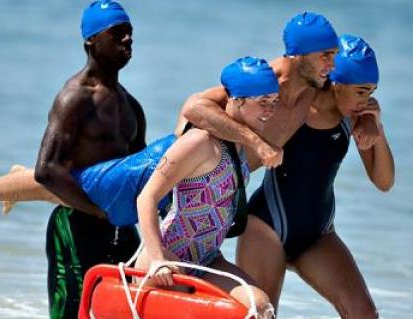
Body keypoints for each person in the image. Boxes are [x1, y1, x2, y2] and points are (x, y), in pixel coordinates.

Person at [0, 1, 148, 318]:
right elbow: (47, 169)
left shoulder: (132, 106)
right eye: (117, 33)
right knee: (71, 312)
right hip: (75, 224)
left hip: (118, 227)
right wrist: (94, 210)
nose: (127, 40)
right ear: (91, 40)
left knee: (129, 309)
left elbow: (137, 173)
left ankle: (5, 185)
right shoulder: (75, 97)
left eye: (130, 33)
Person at [236, 35, 394, 318]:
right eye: (361, 91)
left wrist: (377, 128)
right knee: (262, 314)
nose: (366, 99)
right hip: (266, 229)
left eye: (372, 91)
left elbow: (384, 182)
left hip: (318, 235)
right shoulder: (295, 106)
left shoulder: (355, 116)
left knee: (364, 313)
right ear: (335, 82)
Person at [134, 56, 280, 319]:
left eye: (273, 102)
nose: (270, 110)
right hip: (168, 257)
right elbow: (147, 197)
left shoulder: (239, 142)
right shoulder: (200, 141)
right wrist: (158, 259)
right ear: (237, 100)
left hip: (208, 259)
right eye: (263, 102)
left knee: (261, 307)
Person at [180, 12, 339, 171]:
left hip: (225, 187)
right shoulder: (263, 82)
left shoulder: (316, 85)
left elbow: (355, 91)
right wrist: (255, 141)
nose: (333, 65)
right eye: (325, 56)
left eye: (334, 56)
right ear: (298, 55)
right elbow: (193, 107)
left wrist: (364, 124)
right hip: (181, 177)